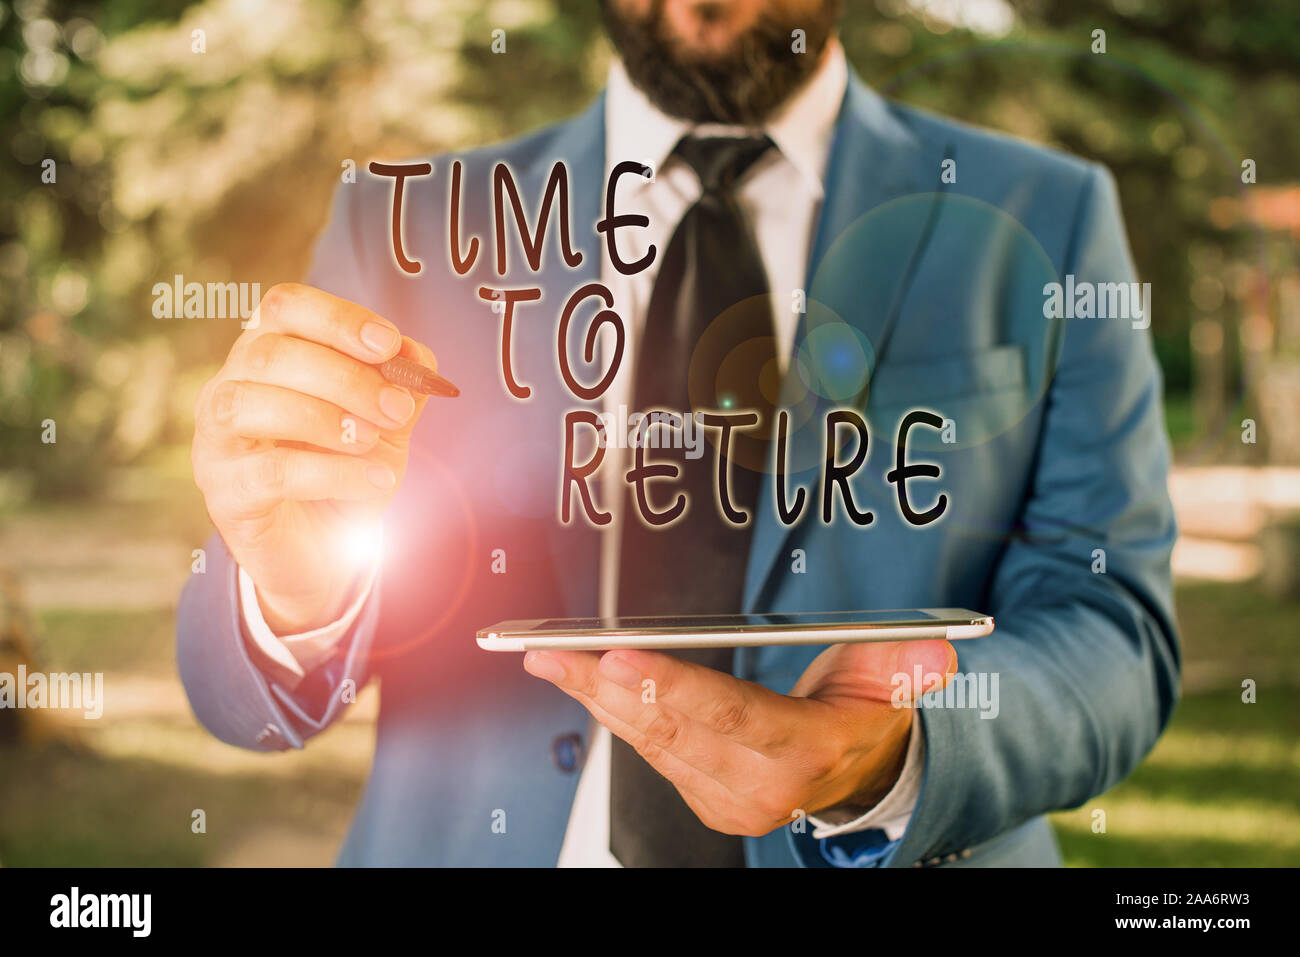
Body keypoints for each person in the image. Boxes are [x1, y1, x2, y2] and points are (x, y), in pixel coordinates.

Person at [179, 0, 1180, 867]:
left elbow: (1112, 630)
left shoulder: (1048, 216)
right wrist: (295, 595)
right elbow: (235, 697)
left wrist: (903, 752)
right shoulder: (408, 225)